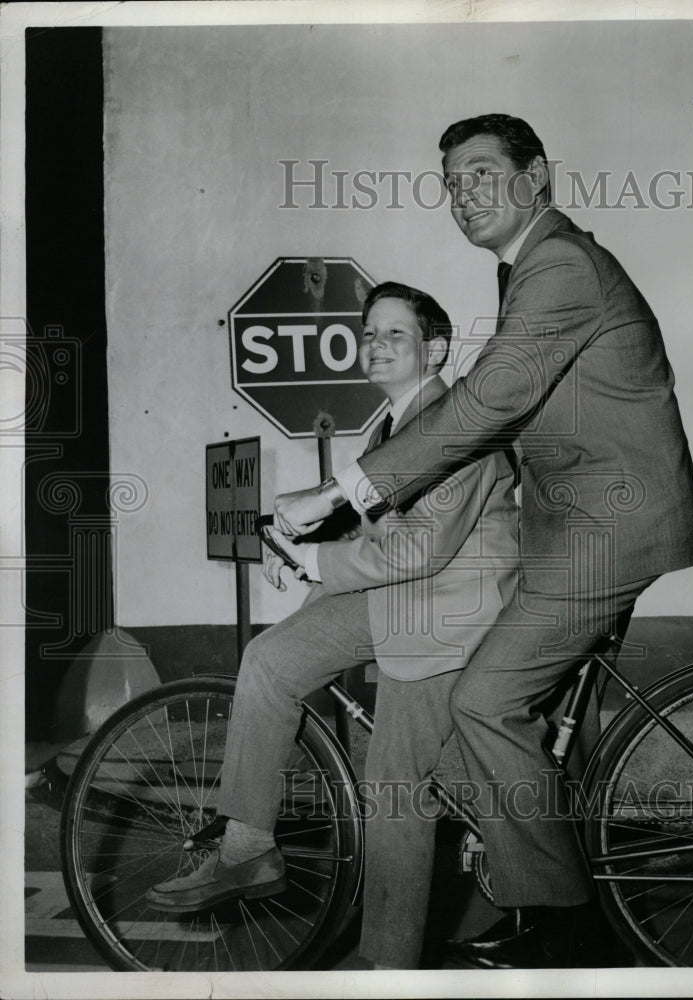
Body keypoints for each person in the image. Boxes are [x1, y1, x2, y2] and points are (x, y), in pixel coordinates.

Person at [273, 114, 693, 968]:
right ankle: (524, 869)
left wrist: (342, 488)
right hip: (574, 527)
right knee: (509, 715)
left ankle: (568, 924)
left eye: (481, 174)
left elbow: (483, 405)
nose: (463, 194)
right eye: (451, 182)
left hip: (605, 530)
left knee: (481, 701)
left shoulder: (561, 265)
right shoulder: (531, 273)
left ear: (537, 176)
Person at [146, 281, 519, 969]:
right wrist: (292, 545)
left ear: (436, 349)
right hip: (402, 602)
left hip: (449, 618)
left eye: (394, 334)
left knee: (395, 792)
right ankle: (247, 846)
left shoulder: (456, 424)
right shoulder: (388, 426)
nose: (375, 345)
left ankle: (390, 967)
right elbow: (372, 515)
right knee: (270, 659)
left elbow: (419, 549)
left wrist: (316, 560)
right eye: (369, 334)